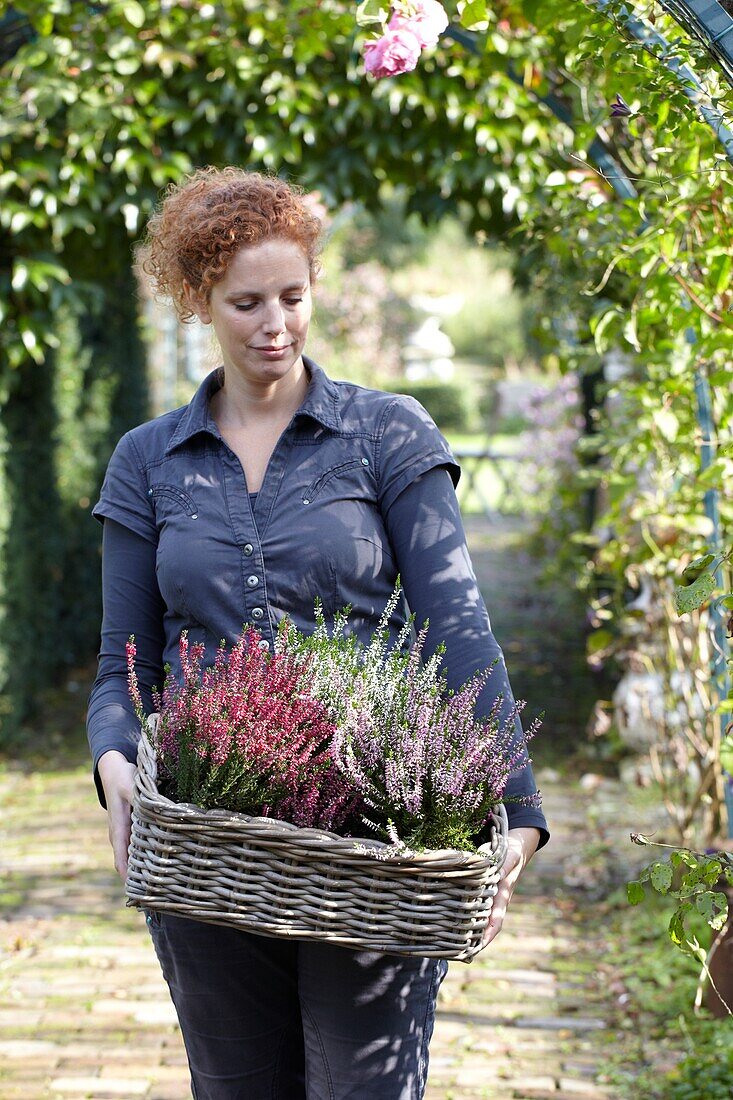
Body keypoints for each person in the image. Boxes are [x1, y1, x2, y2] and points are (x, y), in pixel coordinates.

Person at [87, 166, 549, 1100]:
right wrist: (114, 763)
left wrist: (518, 814)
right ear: (198, 301)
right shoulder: (147, 459)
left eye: (293, 298)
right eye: (245, 302)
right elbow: (118, 664)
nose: (274, 325)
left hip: (377, 837)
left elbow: (460, 627)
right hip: (204, 837)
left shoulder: (386, 434)